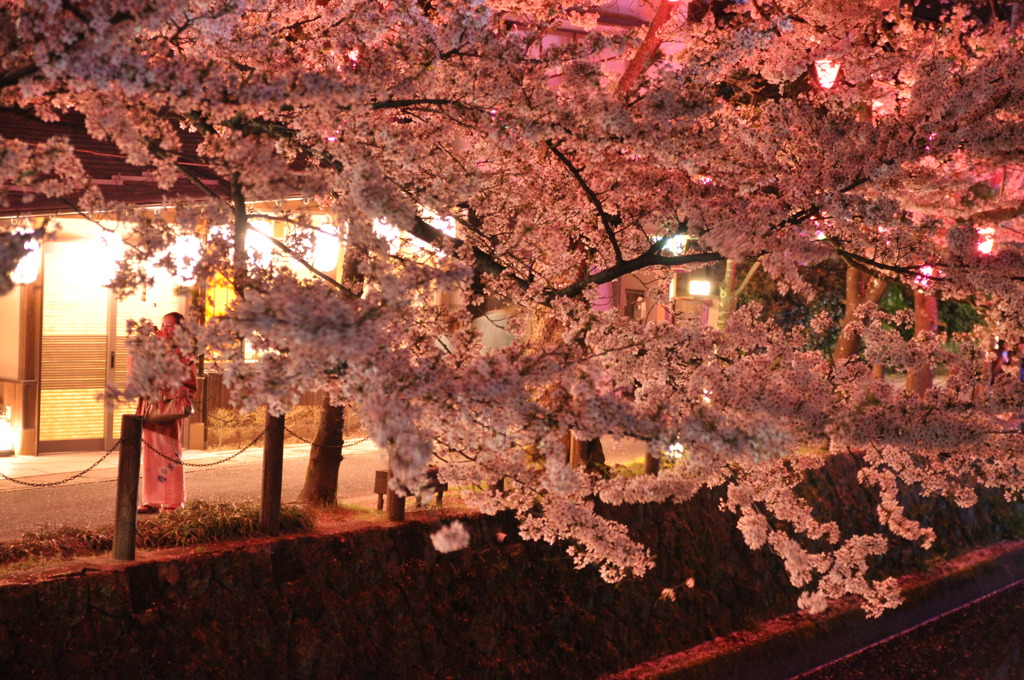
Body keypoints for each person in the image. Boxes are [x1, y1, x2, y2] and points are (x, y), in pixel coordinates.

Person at [136, 312, 197, 513]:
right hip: (151, 405)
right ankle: (152, 499)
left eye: (169, 325)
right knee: (150, 455)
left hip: (169, 406)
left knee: (169, 454)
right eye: (163, 325)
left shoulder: (184, 351)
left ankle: (173, 501)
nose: (164, 329)